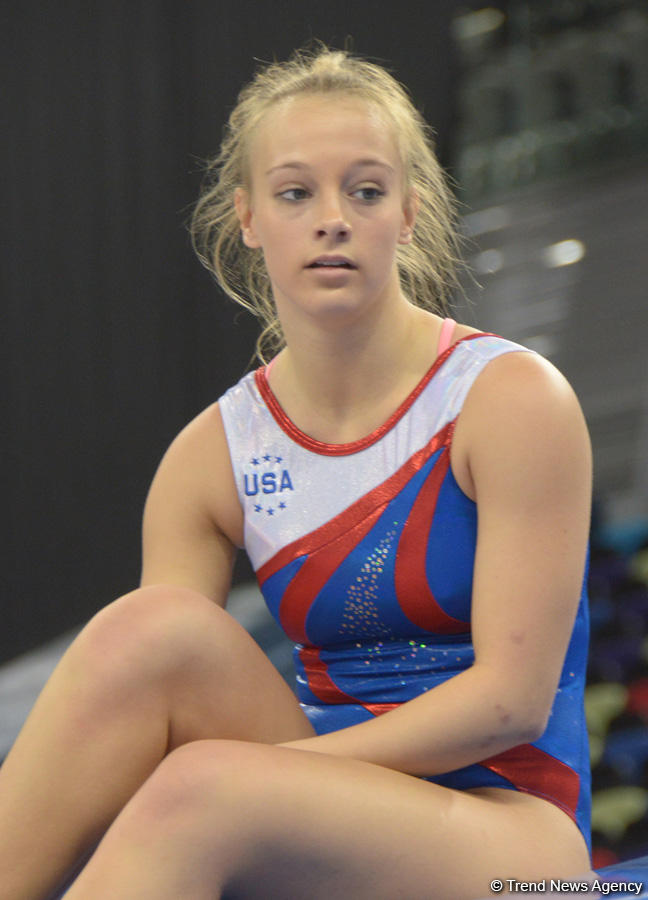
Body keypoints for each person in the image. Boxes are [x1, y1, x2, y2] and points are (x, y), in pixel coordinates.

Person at [0, 46, 593, 899]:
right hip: (309, 796)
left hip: (514, 834)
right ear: (246, 217)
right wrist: (269, 776)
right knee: (148, 632)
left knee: (203, 788)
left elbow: (509, 702)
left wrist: (271, 772)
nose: (332, 219)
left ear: (409, 212)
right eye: (294, 193)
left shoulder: (509, 400)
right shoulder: (213, 455)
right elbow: (149, 717)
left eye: (365, 189)